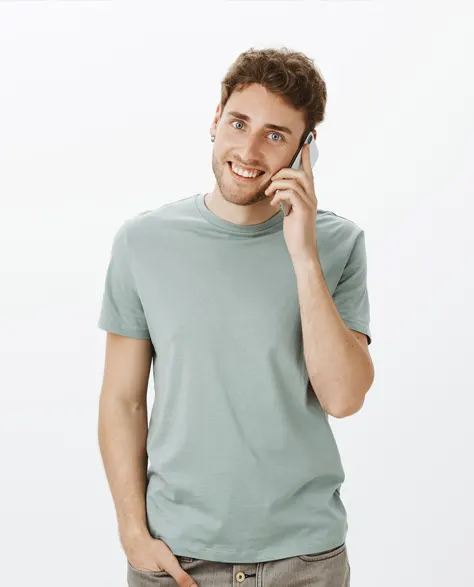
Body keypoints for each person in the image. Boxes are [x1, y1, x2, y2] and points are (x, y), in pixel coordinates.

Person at [97, 47, 374, 587]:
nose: (248, 149)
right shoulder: (143, 243)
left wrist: (302, 253)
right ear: (215, 120)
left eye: (275, 135)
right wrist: (134, 533)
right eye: (238, 122)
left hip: (305, 559)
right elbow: (122, 400)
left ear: (304, 150)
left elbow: (343, 397)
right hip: (177, 558)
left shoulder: (338, 243)